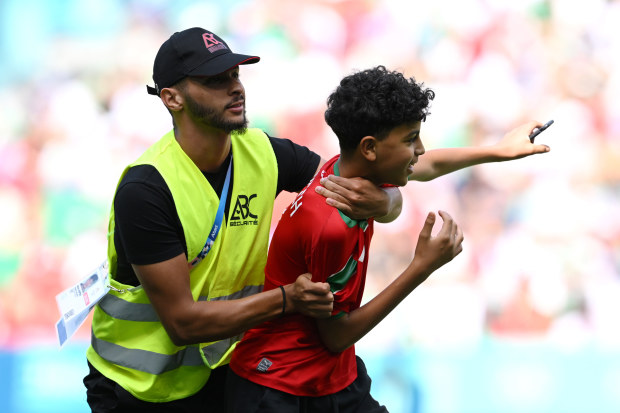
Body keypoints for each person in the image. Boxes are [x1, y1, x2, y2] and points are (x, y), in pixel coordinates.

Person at [83, 28, 402, 412]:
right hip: (137, 391)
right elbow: (183, 324)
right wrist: (288, 299)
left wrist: (386, 201)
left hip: (225, 371)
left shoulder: (261, 150)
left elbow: (356, 180)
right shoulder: (146, 189)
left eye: (235, 75)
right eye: (215, 80)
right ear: (172, 98)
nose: (235, 88)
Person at [227, 66, 550, 412]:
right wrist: (420, 268)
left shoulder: (346, 170)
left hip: (331, 377)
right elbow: (337, 335)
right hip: (279, 385)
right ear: (369, 148)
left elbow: (428, 167)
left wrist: (496, 151)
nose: (421, 149)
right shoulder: (329, 225)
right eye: (411, 139)